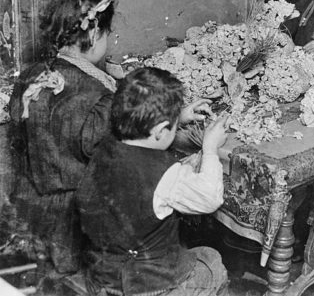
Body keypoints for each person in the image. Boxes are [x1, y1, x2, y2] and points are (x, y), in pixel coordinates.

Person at [6, 0, 212, 277]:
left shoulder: (31, 77)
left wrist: (178, 115)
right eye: (107, 32)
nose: (109, 39)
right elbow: (132, 152)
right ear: (92, 34)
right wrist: (174, 126)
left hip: (30, 213)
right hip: (75, 228)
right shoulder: (99, 99)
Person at [77, 67, 229, 296]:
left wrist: (176, 117)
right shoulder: (164, 175)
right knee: (212, 260)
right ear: (159, 131)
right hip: (148, 288)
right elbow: (210, 199)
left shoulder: (104, 147)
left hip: (103, 275)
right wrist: (210, 149)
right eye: (173, 126)